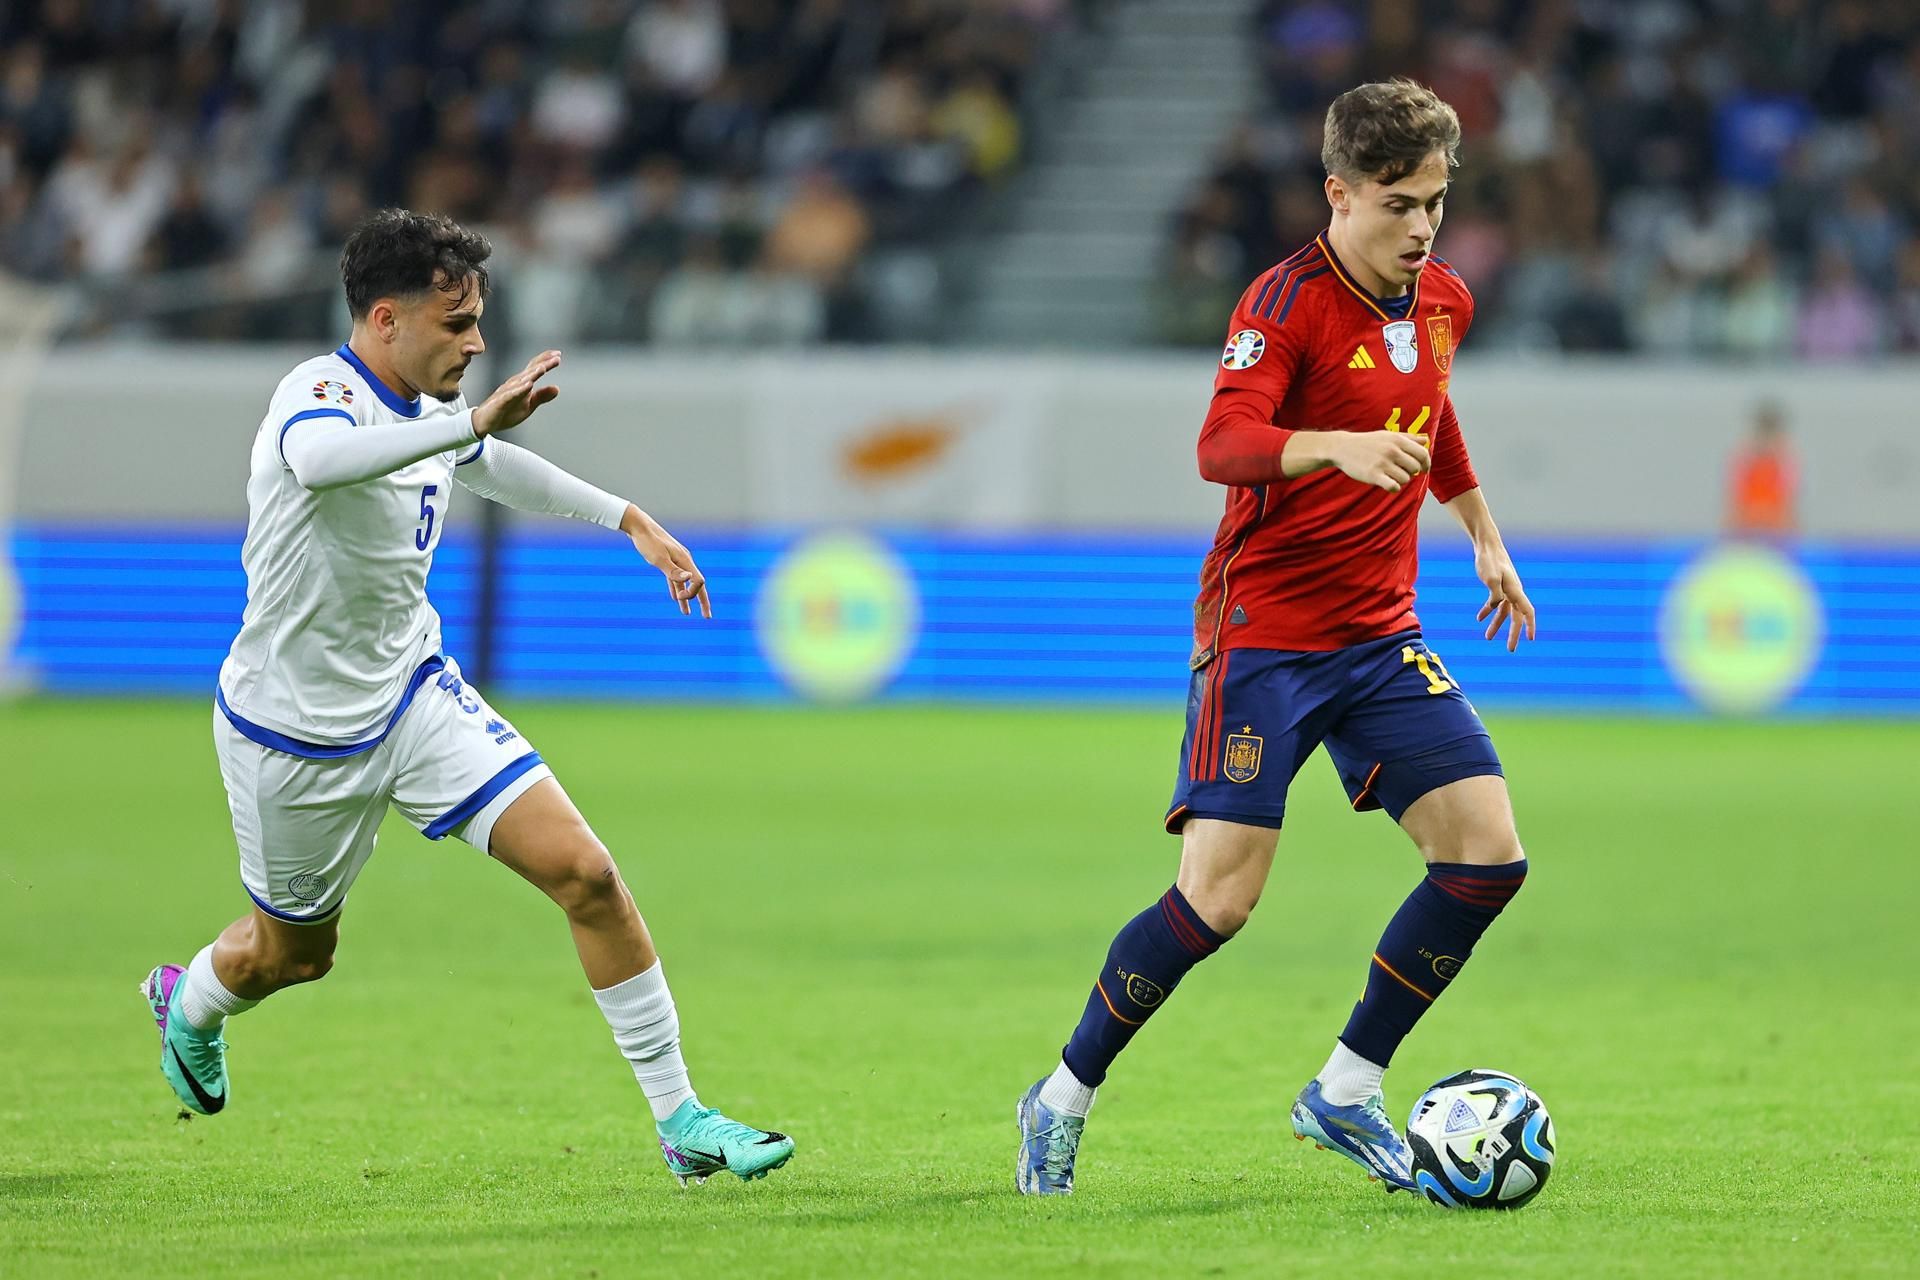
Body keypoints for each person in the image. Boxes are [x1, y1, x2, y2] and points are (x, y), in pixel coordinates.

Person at [140, 209, 794, 1187]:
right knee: (293, 956)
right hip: (294, 735)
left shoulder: (435, 412)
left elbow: (490, 465)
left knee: (588, 874)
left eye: (480, 319)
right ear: (387, 317)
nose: (478, 342)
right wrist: (471, 421)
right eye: (458, 324)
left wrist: (630, 520)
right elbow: (323, 463)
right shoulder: (314, 394)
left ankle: (681, 1118)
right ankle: (189, 999)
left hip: (415, 698)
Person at [1016, 80, 1536, 1196]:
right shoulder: (1284, 301)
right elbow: (1225, 440)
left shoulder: (1441, 300)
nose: (1422, 227)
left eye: (1436, 201)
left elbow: (1431, 406)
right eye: (1398, 203)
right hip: (1265, 635)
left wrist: (1483, 529)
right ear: (1338, 193)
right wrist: (1331, 449)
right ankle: (1060, 1096)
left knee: (1488, 855)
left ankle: (1344, 1088)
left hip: (1378, 633)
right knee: (1219, 899)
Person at [1726, 401, 1796, 538]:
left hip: (1776, 534)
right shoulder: (1745, 460)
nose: (1767, 441)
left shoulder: (1784, 462)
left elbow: (1788, 509)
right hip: (1747, 532)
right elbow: (1735, 507)